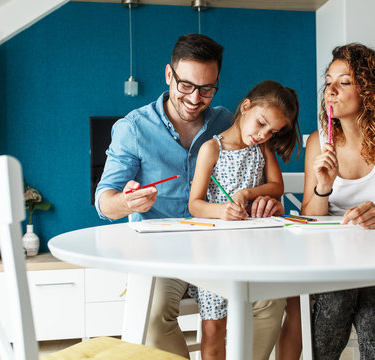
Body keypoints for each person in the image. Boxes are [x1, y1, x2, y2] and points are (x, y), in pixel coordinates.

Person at [95, 33, 286, 359]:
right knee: (154, 316)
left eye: (207, 89)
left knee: (272, 301)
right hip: (163, 253)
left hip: (223, 250)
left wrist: (266, 201)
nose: (196, 98)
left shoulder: (228, 123)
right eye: (186, 85)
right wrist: (127, 201)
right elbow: (104, 202)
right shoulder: (134, 128)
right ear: (169, 75)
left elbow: (257, 176)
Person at [277, 43, 375, 360]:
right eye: (328, 81)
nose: (331, 90)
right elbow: (311, 217)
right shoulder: (319, 141)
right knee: (349, 308)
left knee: (367, 319)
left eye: (344, 82)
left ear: (370, 90)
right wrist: (323, 189)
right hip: (330, 254)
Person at [187, 80, 301, 359]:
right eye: (261, 124)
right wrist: (222, 211)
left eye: (272, 131)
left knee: (268, 307)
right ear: (245, 106)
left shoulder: (262, 149)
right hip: (213, 255)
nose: (263, 135)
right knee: (213, 327)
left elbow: (276, 186)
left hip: (254, 252)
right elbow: (195, 204)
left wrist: (249, 192)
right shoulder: (211, 150)